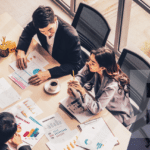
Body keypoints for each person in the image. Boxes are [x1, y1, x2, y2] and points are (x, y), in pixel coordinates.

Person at [68, 47, 134, 128]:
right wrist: (74, 85)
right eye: (90, 60)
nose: (88, 63)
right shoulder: (93, 65)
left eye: (93, 63)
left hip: (116, 115)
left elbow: (96, 108)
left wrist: (82, 91)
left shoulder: (112, 85)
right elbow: (80, 76)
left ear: (102, 68)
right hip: (103, 106)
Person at [16, 6, 82, 85]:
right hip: (45, 58)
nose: (47, 34)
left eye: (50, 29)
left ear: (55, 19)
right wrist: (21, 50)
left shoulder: (71, 36)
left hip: (59, 66)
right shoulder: (39, 23)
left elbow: (74, 66)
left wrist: (49, 73)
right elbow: (28, 31)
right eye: (43, 32)